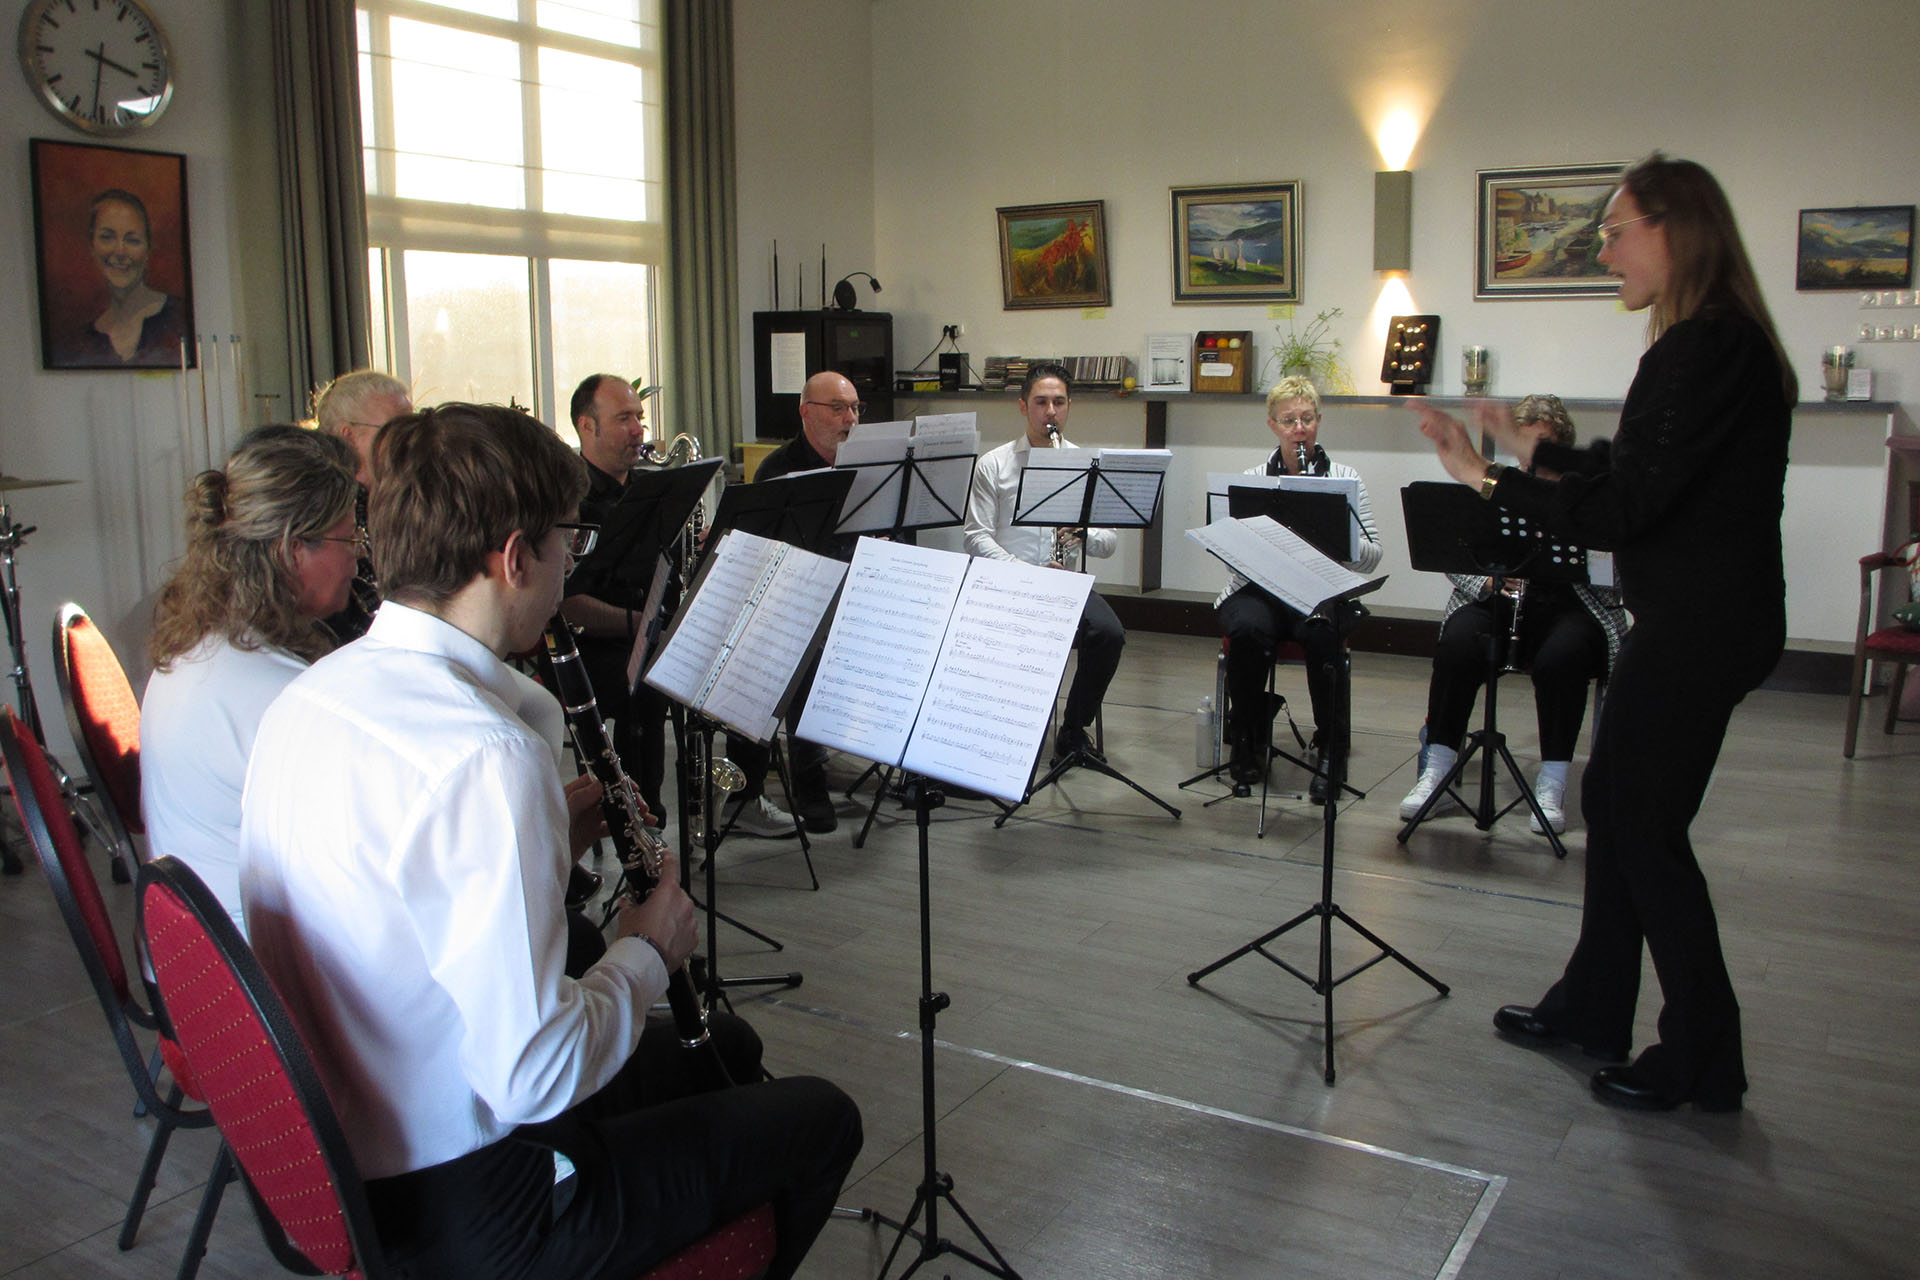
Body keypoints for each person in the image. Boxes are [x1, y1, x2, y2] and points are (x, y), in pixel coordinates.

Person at [238, 402, 862, 1278]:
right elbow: (532, 1074)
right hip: (475, 1200)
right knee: (824, 1118)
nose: (577, 558)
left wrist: (548, 844)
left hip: (350, 1150)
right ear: (513, 556)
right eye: (570, 538)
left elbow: (411, 908)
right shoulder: (483, 755)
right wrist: (647, 950)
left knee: (730, 1048)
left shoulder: (312, 694)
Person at [1417, 153, 1794, 1113]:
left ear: (1677, 229)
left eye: (1618, 228)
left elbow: (1625, 507)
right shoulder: (1724, 342)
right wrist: (1527, 445)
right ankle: (1593, 1004)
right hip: (1709, 618)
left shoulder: (1703, 347)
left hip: (1701, 625)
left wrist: (1487, 474)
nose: (1605, 248)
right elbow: (1648, 472)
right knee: (1623, 807)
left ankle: (1706, 1055)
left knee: (1645, 829)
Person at [140, 427, 361, 929]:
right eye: (349, 538)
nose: (359, 556)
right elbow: (359, 871)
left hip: (196, 951)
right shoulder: (273, 694)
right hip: (254, 977)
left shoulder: (205, 640)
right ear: (289, 549)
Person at [1397, 395, 1629, 834]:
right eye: (1521, 442)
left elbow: (1616, 576)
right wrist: (1486, 582)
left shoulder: (1588, 492)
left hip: (1574, 606)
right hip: (1504, 601)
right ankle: (1439, 768)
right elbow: (1456, 551)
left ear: (1560, 444)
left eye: (1539, 444)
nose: (1528, 455)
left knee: (1563, 657)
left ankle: (1553, 780)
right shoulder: (1499, 485)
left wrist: (1591, 559)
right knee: (1460, 639)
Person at [1215, 375, 1382, 800]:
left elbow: (1372, 553)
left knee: (1323, 633)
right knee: (1246, 630)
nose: (1299, 429)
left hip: (1319, 588)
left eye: (1307, 419)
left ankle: (1331, 749)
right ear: (1273, 425)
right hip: (1260, 588)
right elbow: (1234, 552)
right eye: (1289, 420)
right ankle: (1249, 738)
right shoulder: (1254, 477)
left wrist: (1338, 540)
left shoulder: (1345, 477)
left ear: (1319, 422)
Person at [721, 369, 866, 835]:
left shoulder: (868, 463)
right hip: (790, 596)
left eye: (855, 408)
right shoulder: (778, 469)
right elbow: (759, 552)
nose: (851, 419)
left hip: (851, 585)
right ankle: (806, 776)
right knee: (801, 642)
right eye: (839, 408)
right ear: (806, 412)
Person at [964, 361, 1124, 765]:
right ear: (1023, 407)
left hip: (1064, 584)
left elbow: (1108, 543)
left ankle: (1072, 730)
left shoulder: (1087, 465)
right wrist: (1024, 571)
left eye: (1059, 402)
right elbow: (976, 536)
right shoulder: (995, 464)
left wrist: (1083, 532)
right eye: (1041, 402)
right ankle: (1003, 728)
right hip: (1009, 583)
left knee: (1108, 633)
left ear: (1069, 406)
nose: (1050, 412)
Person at [560, 373, 676, 830]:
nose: (637, 430)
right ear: (587, 427)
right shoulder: (572, 500)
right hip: (585, 648)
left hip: (639, 631)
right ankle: (644, 821)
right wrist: (646, 627)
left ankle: (727, 797)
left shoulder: (648, 490)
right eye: (624, 418)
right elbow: (570, 606)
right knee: (648, 680)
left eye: (640, 418)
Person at [312, 368, 414, 643]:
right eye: (397, 429)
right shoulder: (325, 510)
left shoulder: (407, 496)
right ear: (348, 436)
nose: (413, 440)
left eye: (414, 427)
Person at [70, 188, 187, 367]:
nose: (120, 252)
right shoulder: (84, 340)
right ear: (92, 246)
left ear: (148, 249)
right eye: (107, 237)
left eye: (132, 240)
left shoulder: (181, 316)